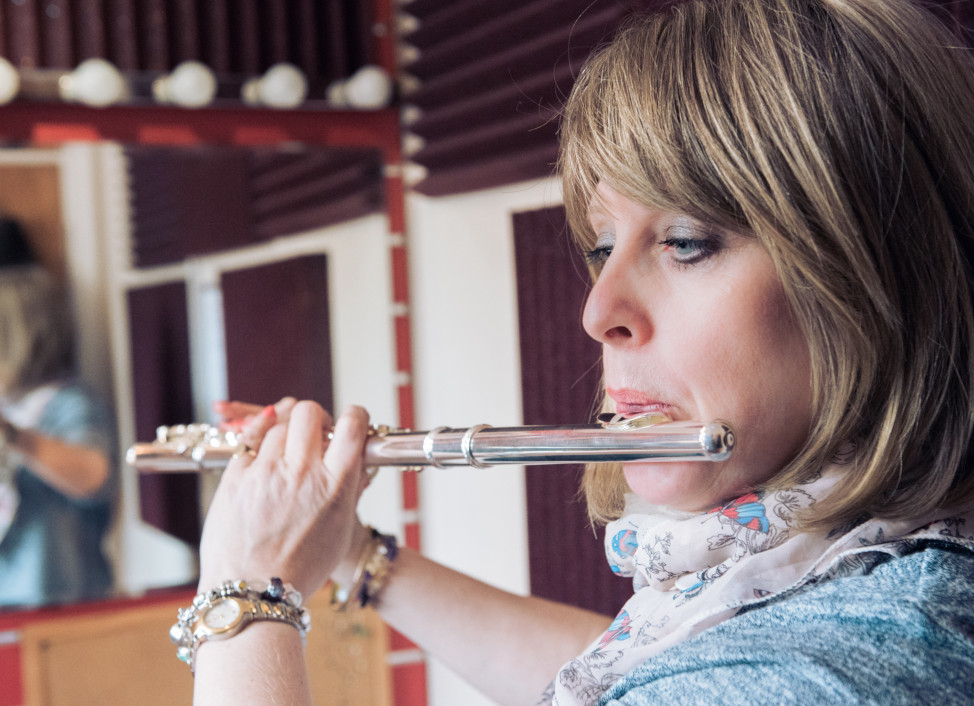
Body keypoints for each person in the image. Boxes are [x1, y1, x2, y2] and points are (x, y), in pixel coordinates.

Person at [184, 0, 974, 703]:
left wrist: (247, 591)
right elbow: (636, 678)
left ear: (877, 275)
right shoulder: (861, 582)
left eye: (686, 242)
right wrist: (355, 554)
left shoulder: (834, 673)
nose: (599, 312)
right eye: (603, 248)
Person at [0, 242, 117, 608]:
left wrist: (13, 436)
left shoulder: (70, 403)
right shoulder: (11, 402)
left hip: (55, 598)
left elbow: (95, 476)